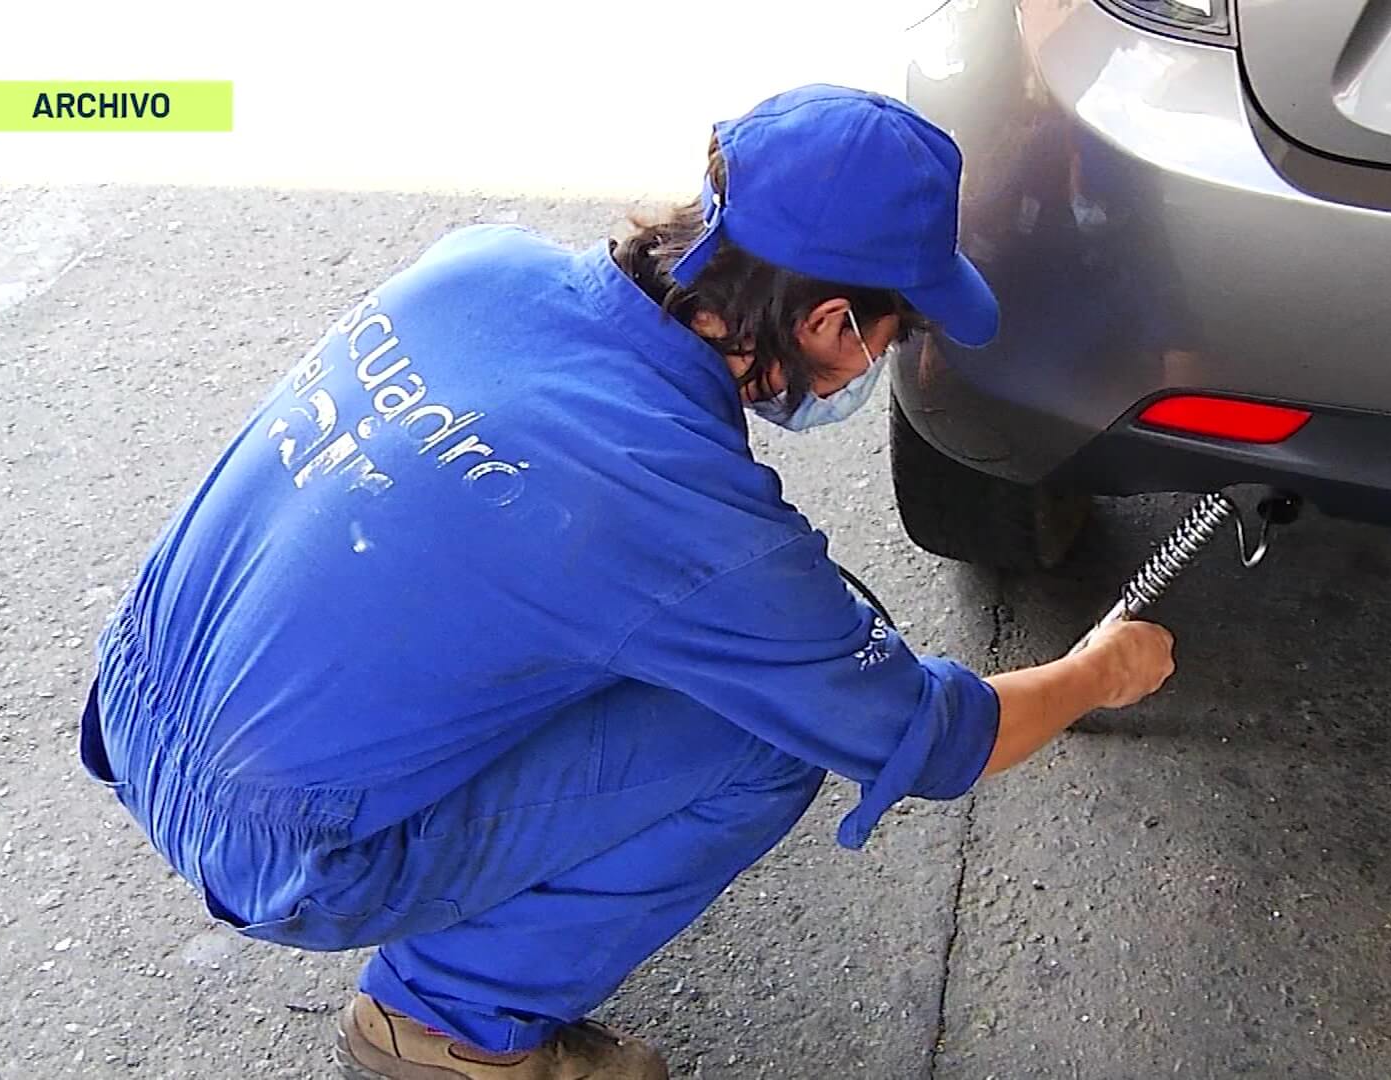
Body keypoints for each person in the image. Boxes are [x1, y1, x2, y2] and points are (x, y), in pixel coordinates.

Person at [79, 84, 1176, 1080]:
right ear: (830, 324)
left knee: (704, 637)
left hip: (136, 700)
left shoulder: (483, 265)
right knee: (775, 728)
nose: (871, 365)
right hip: (284, 846)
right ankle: (450, 1022)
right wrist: (1095, 673)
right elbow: (938, 739)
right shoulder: (682, 512)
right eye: (892, 334)